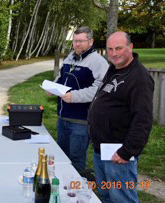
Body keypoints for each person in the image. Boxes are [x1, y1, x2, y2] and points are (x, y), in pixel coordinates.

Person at [88, 32, 154, 203]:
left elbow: (143, 119)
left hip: (118, 154)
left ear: (130, 47)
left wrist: (126, 152)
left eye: (119, 48)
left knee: (122, 198)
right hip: (101, 149)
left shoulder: (139, 78)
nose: (114, 53)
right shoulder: (115, 69)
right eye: (110, 49)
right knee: (105, 195)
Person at [46, 26, 109, 172]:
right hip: (63, 117)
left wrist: (74, 96)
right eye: (75, 41)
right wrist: (52, 87)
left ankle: (76, 189)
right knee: (62, 155)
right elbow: (61, 77)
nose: (77, 44)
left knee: (76, 158)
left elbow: (100, 89)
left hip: (81, 120)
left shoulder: (98, 62)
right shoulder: (70, 57)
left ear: (91, 41)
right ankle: (62, 185)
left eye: (81, 41)